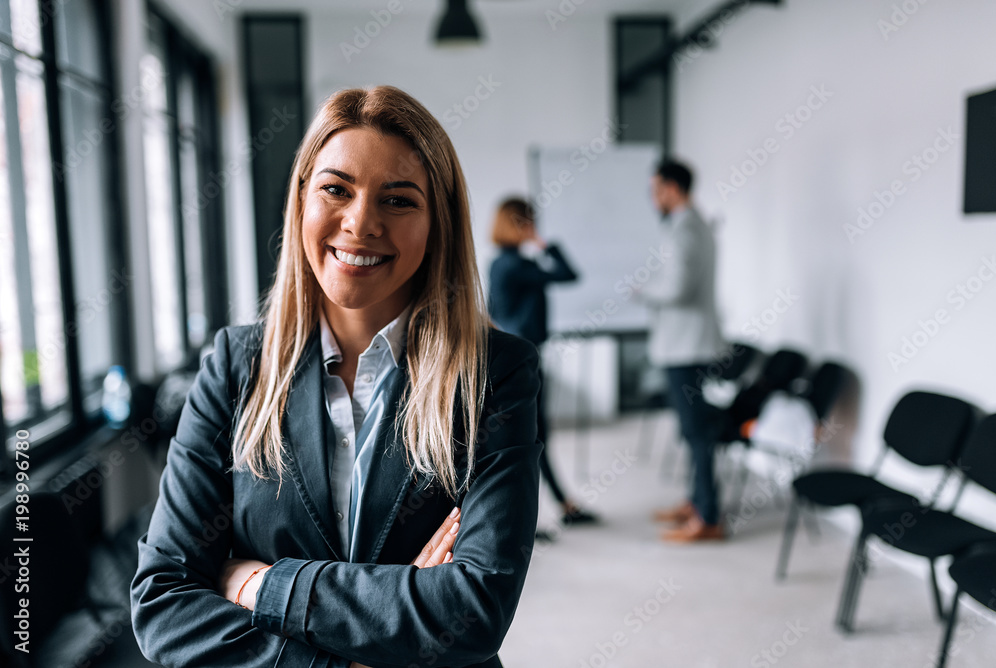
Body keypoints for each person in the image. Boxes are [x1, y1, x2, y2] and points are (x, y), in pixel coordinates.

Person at [130, 86, 542, 668]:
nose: (360, 222)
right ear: (302, 200)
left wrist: (261, 587)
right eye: (335, 189)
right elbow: (163, 604)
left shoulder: (497, 372)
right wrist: (343, 658)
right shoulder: (233, 368)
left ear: (436, 224)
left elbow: (474, 610)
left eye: (398, 201)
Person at [487, 198, 597, 528]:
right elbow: (569, 274)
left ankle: (557, 506)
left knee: (530, 436)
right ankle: (535, 515)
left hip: (514, 356)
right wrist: (544, 244)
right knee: (531, 437)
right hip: (523, 357)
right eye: (528, 222)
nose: (534, 228)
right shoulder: (517, 265)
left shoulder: (503, 263)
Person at [638, 158, 727, 542]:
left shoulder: (685, 230)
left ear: (673, 188)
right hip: (687, 344)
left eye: (656, 189)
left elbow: (677, 289)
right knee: (693, 431)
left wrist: (643, 290)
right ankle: (696, 502)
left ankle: (708, 518)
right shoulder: (691, 225)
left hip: (686, 347)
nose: (653, 196)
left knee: (697, 432)